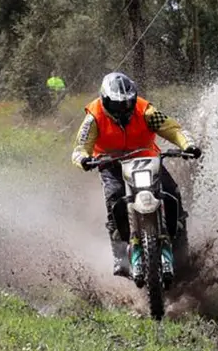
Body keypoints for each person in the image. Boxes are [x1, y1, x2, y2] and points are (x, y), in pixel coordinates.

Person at [71, 72, 203, 280]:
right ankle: (120, 253)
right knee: (114, 197)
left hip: (147, 159)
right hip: (111, 163)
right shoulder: (93, 118)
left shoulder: (146, 110)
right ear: (105, 100)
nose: (123, 110)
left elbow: (171, 128)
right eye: (116, 105)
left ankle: (179, 242)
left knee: (171, 192)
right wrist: (84, 160)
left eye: (127, 104)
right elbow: (81, 147)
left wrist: (188, 145)